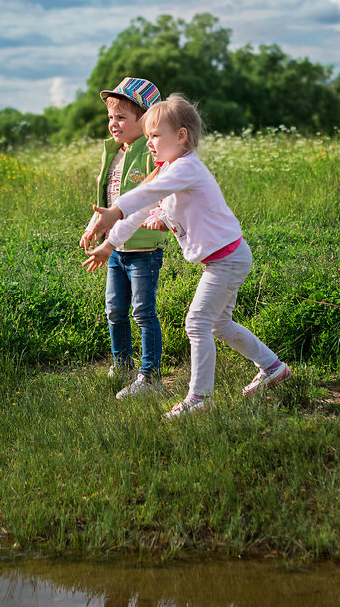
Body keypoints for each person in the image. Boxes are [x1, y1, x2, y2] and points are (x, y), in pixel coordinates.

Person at [83, 94, 292, 417]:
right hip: (226, 258)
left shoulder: (185, 167)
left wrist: (115, 209)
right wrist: (110, 244)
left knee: (197, 323)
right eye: (147, 135)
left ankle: (200, 399)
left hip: (228, 259)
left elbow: (145, 195)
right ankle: (273, 368)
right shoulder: (171, 170)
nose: (149, 142)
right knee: (219, 324)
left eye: (155, 135)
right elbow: (143, 211)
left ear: (181, 136)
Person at [79, 77, 167, 399]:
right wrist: (94, 226)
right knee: (114, 309)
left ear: (145, 119)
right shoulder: (115, 154)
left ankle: (151, 377)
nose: (113, 124)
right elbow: (109, 201)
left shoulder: (151, 152)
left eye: (121, 117)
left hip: (143, 249)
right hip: (114, 250)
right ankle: (122, 365)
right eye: (110, 117)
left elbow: (149, 198)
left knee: (143, 311)